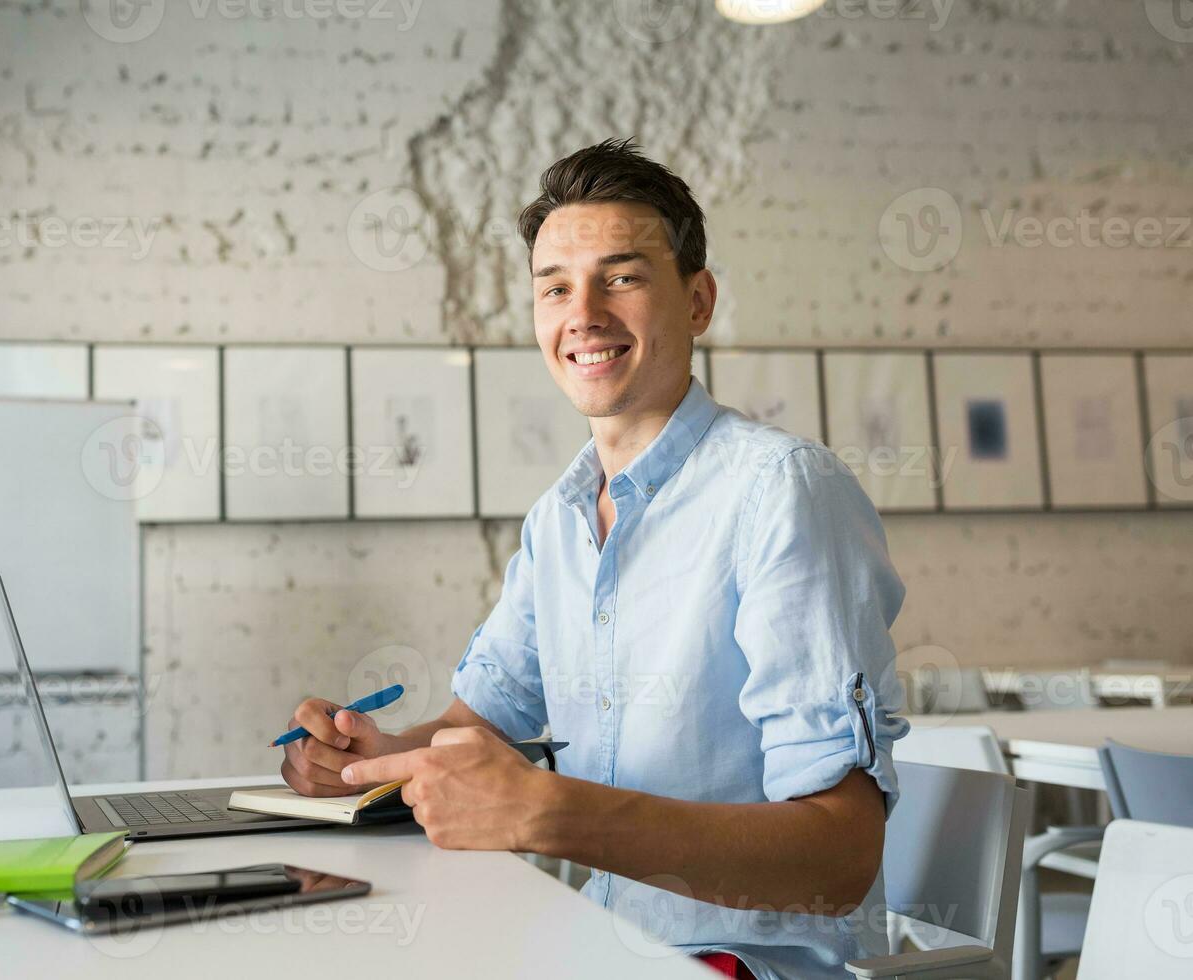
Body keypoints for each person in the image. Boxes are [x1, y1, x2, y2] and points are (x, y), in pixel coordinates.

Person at [280, 138, 908, 980]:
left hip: (742, 964)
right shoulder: (557, 521)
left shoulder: (781, 492)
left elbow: (838, 860)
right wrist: (364, 760)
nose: (584, 313)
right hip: (591, 947)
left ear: (698, 301)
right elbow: (475, 729)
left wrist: (547, 814)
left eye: (622, 276)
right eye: (556, 288)